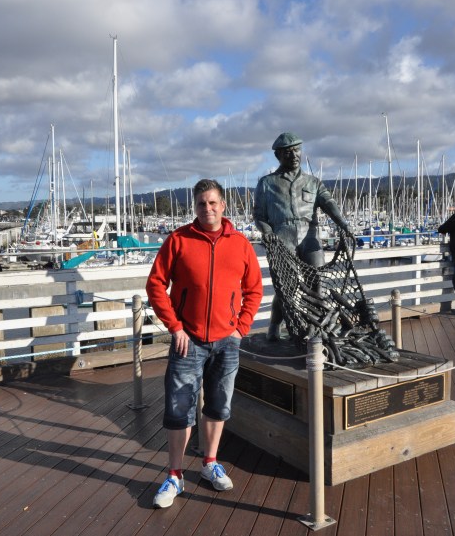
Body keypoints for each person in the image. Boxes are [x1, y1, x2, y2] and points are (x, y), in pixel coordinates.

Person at [145, 178, 263, 509]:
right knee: (178, 410)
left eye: (212, 203)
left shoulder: (240, 244)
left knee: (218, 405)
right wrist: (176, 327)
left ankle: (210, 463)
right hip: (188, 341)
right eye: (201, 204)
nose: (207, 208)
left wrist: (240, 328)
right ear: (194, 207)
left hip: (227, 341)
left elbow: (254, 290)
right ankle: (175, 475)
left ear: (223, 206)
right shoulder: (178, 240)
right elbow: (156, 285)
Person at [254, 132, 352, 341]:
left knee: (318, 281)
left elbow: (329, 204)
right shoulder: (266, 183)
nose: (294, 155)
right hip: (282, 239)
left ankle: (314, 325)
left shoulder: (313, 182)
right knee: (286, 288)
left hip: (309, 237)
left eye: (297, 150)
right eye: (288, 152)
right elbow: (259, 216)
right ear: (278, 155)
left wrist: (343, 224)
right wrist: (268, 233)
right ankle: (274, 326)